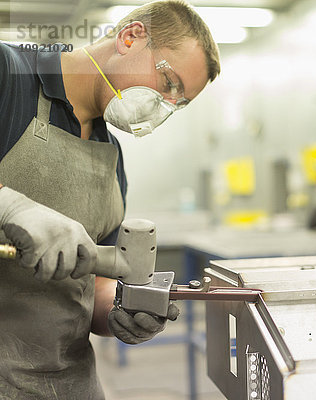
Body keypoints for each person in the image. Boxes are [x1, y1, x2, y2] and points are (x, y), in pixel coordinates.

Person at [0, 0, 220, 398]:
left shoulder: (111, 158)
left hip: (69, 385)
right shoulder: (8, 75)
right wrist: (13, 207)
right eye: (169, 84)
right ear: (130, 37)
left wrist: (120, 312)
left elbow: (94, 286)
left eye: (179, 102)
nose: (166, 106)